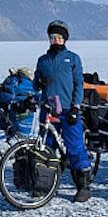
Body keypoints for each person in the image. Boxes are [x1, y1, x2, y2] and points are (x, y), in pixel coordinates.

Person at [33, 20, 92, 203]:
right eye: (52, 37)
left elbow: (78, 85)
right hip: (48, 110)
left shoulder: (73, 59)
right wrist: (39, 84)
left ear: (65, 39)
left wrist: (76, 107)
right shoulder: (43, 60)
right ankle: (45, 184)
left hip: (68, 111)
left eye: (59, 37)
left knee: (75, 147)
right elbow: (35, 83)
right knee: (46, 147)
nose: (56, 40)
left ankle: (83, 186)